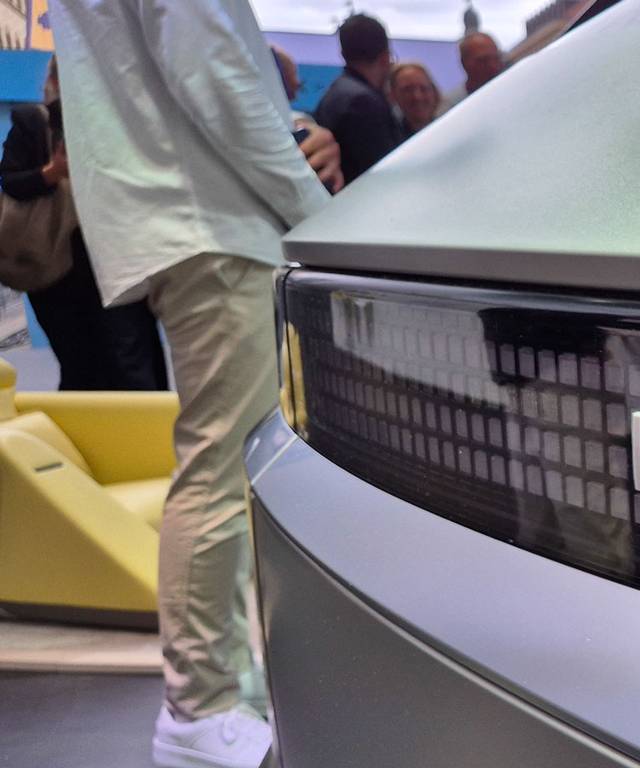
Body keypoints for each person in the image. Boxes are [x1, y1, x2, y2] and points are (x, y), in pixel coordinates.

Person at [50, 1, 340, 766]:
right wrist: (322, 218)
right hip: (214, 222)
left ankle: (219, 691)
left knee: (231, 470)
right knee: (223, 470)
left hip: (198, 220)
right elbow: (211, 69)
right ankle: (199, 706)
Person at [0, 58, 167, 391]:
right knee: (80, 367)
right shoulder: (36, 123)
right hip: (56, 270)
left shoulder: (123, 122)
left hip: (116, 264)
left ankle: (140, 424)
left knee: (132, 364)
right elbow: (12, 183)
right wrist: (53, 172)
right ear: (56, 82)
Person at [314, 14, 403, 183]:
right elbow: (384, 177)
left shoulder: (335, 94)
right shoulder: (364, 103)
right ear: (385, 57)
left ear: (343, 54)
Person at [441, 32, 505, 111]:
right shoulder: (451, 106)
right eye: (483, 61)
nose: (493, 66)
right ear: (464, 63)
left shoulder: (511, 92)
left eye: (496, 58)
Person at [390, 61, 440, 140]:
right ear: (393, 95)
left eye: (423, 88)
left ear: (434, 92)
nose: (417, 96)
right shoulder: (389, 140)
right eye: (407, 90)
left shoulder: (451, 129)